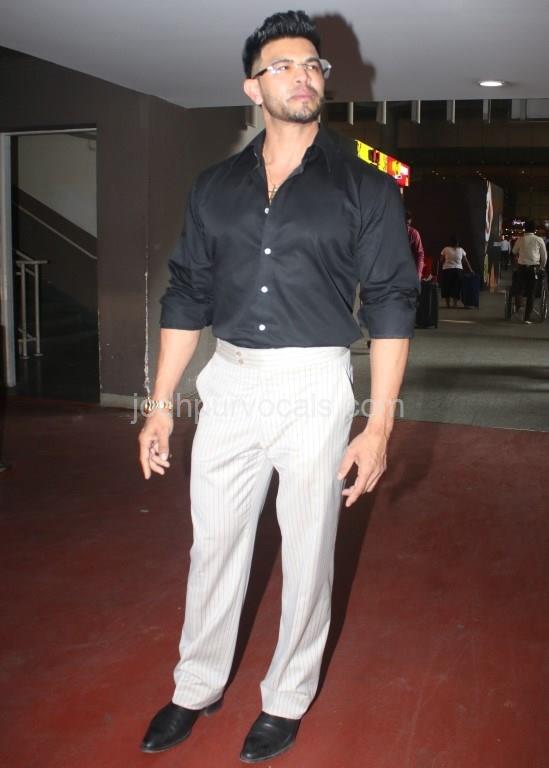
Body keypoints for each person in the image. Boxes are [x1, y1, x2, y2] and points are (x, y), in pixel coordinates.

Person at [138, 10, 418, 764]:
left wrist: (379, 428)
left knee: (308, 551)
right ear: (251, 87)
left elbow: (392, 303)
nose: (302, 76)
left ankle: (286, 697)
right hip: (228, 382)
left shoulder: (364, 187)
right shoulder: (214, 187)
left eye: (312, 65)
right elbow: (186, 295)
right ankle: (195, 685)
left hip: (313, 387)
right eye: (283, 66)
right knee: (213, 546)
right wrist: (159, 405)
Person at [512, 220, 547, 324]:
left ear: (525, 229)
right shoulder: (539, 240)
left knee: (520, 288)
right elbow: (544, 257)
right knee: (531, 293)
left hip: (521, 267)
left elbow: (514, 251)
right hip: (534, 268)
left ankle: (519, 304)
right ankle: (526, 318)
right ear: (535, 229)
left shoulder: (520, 239)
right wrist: (542, 267)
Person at [440, 236, 473, 308]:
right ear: (458, 243)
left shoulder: (445, 249)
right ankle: (454, 304)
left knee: (447, 287)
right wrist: (471, 270)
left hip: (447, 270)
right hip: (458, 271)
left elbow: (441, 260)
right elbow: (466, 261)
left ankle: (447, 304)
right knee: (456, 287)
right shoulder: (461, 250)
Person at [406, 211, 425, 279]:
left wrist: (418, 273)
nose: (406, 226)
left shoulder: (414, 233)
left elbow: (420, 254)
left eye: (407, 224)